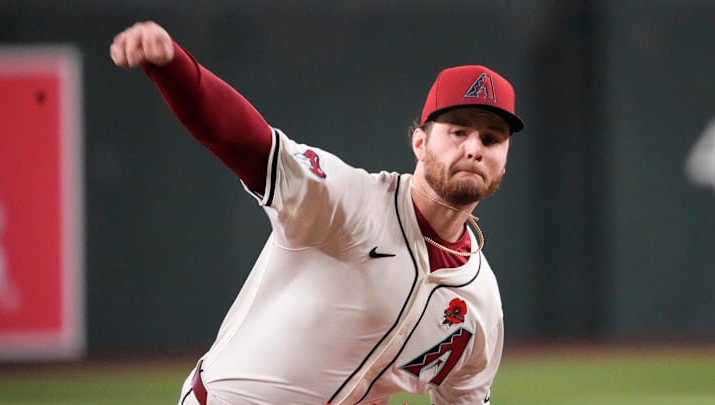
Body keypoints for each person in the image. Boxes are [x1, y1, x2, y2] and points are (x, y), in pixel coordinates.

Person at [110, 20, 525, 405]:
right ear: (420, 143)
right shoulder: (348, 201)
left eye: (491, 138)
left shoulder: (481, 304)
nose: (473, 148)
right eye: (457, 132)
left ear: (504, 161)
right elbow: (246, 142)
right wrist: (174, 69)